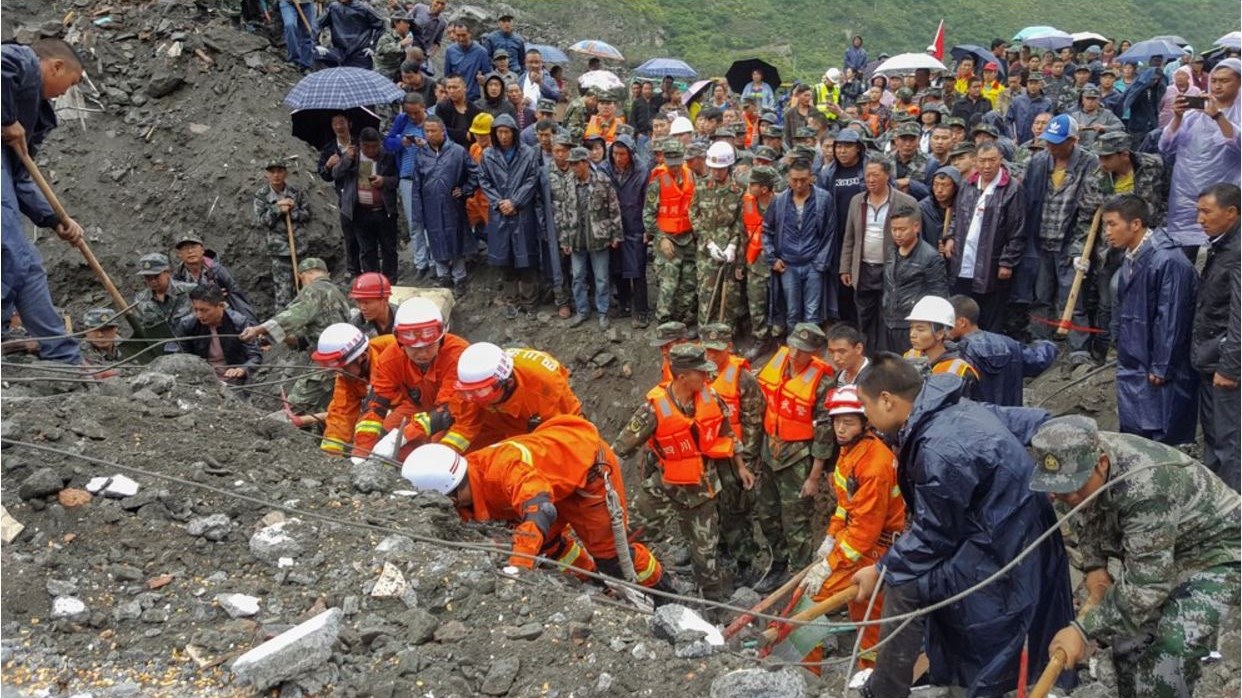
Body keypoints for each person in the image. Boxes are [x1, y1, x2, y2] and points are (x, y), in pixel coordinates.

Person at [853, 355, 1072, 698]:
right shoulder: (953, 408)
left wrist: (882, 569)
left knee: (906, 586)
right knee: (914, 575)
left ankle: (884, 692)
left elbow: (934, 535)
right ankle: (929, 676)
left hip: (1002, 545)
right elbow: (1032, 420)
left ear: (886, 399)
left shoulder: (940, 449)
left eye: (865, 406)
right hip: (1005, 527)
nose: (865, 417)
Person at [1030, 415, 1241, 698]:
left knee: (1172, 648)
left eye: (1072, 488)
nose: (1062, 497)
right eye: (1057, 490)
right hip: (1165, 544)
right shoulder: (1082, 455)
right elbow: (1088, 508)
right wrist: (1094, 566)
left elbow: (1148, 586)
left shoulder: (1146, 485)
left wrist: (1081, 630)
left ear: (1101, 463)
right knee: (1129, 642)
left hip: (1219, 549)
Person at [405, 415, 669, 588]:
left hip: (586, 470)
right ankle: (594, 584)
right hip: (553, 475)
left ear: (451, 492)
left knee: (612, 557)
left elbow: (540, 509)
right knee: (550, 545)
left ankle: (661, 591)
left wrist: (519, 564)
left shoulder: (503, 470)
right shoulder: (467, 478)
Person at [612, 344, 753, 600]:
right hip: (664, 486)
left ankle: (713, 606)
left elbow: (727, 434)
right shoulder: (653, 409)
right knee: (629, 534)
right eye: (701, 373)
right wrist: (607, 486)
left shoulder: (712, 399)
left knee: (705, 554)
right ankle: (625, 584)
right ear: (682, 376)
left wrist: (741, 467)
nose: (707, 377)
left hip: (703, 489)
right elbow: (621, 448)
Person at [798, 385, 904, 670]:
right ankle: (870, 674)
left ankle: (807, 678)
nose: (840, 429)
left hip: (875, 549)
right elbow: (846, 507)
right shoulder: (851, 453)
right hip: (865, 545)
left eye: (848, 422)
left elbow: (864, 533)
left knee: (808, 603)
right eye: (836, 421)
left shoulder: (874, 464)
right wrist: (831, 537)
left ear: (865, 423)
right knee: (868, 614)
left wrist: (832, 562)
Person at [1, 39, 85, 365]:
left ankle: (65, 359)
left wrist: (55, 219)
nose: (67, 92)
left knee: (28, 266)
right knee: (12, 253)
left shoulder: (32, 116)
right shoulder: (24, 61)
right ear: (56, 66)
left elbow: (21, 178)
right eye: (72, 82)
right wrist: (6, 117)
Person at [1102, 194, 1199, 445]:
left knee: (1160, 433)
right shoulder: (1132, 255)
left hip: (1156, 365)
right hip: (1135, 359)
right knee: (1136, 432)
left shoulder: (1167, 260)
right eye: (1105, 225)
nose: (1107, 232)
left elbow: (1172, 316)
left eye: (1112, 224)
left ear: (1135, 224)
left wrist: (1162, 365)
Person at [752, 323, 837, 590]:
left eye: (802, 351)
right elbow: (759, 409)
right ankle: (778, 563)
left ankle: (798, 576)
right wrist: (753, 454)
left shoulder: (823, 380)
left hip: (798, 459)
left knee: (795, 521)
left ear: (814, 353)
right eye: (793, 348)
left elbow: (824, 431)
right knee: (766, 513)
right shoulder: (777, 364)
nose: (794, 354)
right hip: (769, 452)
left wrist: (814, 476)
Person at [1072, 130, 1165, 361]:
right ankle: (1106, 350)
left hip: (1146, 246)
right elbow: (1086, 218)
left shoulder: (1153, 166)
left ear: (1124, 154)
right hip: (1110, 249)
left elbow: (1167, 195)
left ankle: (1136, 347)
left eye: (1107, 157)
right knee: (1107, 300)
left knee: (1138, 297)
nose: (1101, 162)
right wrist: (1078, 252)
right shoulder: (1096, 178)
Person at [1022, 114, 1098, 363]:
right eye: (1048, 141)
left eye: (1057, 142)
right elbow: (1029, 199)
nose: (1050, 146)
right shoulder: (1039, 162)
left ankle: (1078, 349)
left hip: (1069, 240)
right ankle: (1039, 342)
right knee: (1040, 294)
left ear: (1073, 141)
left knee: (1072, 296)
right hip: (1040, 238)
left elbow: (1089, 211)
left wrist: (1079, 249)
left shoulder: (1089, 163)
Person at [352, 297, 466, 457]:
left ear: (441, 338)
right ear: (400, 343)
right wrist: (361, 451)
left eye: (429, 345)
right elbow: (375, 405)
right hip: (417, 406)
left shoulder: (458, 355)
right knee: (381, 434)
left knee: (437, 449)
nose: (422, 353)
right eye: (413, 348)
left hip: (454, 413)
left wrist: (404, 436)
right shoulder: (390, 359)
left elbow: (449, 410)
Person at [701, 323, 769, 587]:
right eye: (706, 349)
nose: (711, 356)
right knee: (711, 507)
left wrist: (748, 459)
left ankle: (746, 561)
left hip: (735, 456)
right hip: (708, 456)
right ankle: (720, 553)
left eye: (716, 351)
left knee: (737, 511)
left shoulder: (742, 378)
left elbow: (754, 420)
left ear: (729, 347)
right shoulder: (698, 374)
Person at [240, 258, 352, 415]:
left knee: (294, 407)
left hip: (327, 362)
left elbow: (292, 316)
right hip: (346, 359)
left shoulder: (314, 290)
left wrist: (258, 329)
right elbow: (309, 334)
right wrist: (281, 336)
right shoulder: (336, 292)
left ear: (302, 276)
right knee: (328, 408)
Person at [1159, 58, 1241, 255]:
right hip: (1186, 197)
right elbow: (1165, 146)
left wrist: (1218, 117)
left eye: (1225, 81)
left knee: (1223, 255)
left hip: (1222, 197)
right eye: (1214, 80)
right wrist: (1177, 117)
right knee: (1184, 253)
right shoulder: (1194, 114)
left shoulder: (1237, 115)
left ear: (1239, 82)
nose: (1217, 85)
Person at [441, 342, 581, 454]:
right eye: (467, 392)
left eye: (480, 391)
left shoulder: (545, 388)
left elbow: (572, 425)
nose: (472, 398)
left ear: (508, 383)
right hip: (496, 418)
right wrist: (444, 455)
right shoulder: (474, 390)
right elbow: (465, 427)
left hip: (535, 423)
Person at [943, 142, 1024, 333]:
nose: (987, 166)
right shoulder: (968, 184)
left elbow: (1017, 229)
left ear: (1001, 161)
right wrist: (951, 236)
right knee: (961, 311)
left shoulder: (1012, 188)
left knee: (990, 314)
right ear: (975, 161)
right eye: (982, 161)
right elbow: (957, 215)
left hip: (991, 262)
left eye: (992, 160)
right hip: (964, 257)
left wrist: (1007, 261)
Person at [1191, 184, 1241, 491]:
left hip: (1225, 362)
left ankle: (1231, 511)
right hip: (1211, 357)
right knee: (1212, 434)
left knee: (1227, 440)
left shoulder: (1237, 253)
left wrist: (1230, 366)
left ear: (1231, 213)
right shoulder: (1221, 244)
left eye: (1206, 212)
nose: (1199, 219)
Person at [841, 158, 920, 351]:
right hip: (864, 267)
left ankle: (886, 356)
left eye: (875, 175)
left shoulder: (906, 202)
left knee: (889, 315)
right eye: (867, 175)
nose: (870, 179)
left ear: (887, 175)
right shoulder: (857, 201)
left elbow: (915, 240)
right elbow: (849, 237)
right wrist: (845, 267)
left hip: (891, 268)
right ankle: (867, 355)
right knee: (864, 314)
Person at [479, 114, 547, 318]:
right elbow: (484, 180)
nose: (503, 136)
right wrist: (499, 202)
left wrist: (515, 201)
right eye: (499, 132)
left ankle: (530, 302)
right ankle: (511, 300)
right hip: (500, 214)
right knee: (505, 261)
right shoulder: (488, 155)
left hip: (522, 213)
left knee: (526, 260)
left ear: (514, 133)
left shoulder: (527, 154)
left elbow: (532, 179)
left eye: (506, 132)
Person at [553, 146, 622, 328]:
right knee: (577, 276)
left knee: (601, 278)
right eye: (572, 164)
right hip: (576, 238)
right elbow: (562, 212)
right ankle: (582, 311)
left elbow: (613, 208)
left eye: (576, 164)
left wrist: (616, 234)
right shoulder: (568, 182)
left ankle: (603, 312)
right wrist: (564, 239)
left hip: (598, 236)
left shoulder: (602, 181)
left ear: (585, 163)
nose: (573, 167)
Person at [948, 294, 1055, 406]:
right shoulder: (1010, 344)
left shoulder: (959, 355)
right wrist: (1048, 346)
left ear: (962, 322)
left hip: (977, 419)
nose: (943, 327)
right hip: (1010, 417)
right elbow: (1038, 361)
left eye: (948, 322)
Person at [764, 160, 833, 327]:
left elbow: (829, 233)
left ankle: (811, 348)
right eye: (795, 180)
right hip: (788, 264)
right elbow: (767, 230)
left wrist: (820, 263)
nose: (799, 184)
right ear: (788, 178)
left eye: (803, 179)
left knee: (812, 312)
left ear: (811, 178)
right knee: (792, 311)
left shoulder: (824, 199)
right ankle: (793, 349)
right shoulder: (779, 201)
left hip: (813, 263)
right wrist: (772, 258)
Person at [413, 116, 477, 294]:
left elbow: (475, 173)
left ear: (443, 131)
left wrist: (465, 190)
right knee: (435, 238)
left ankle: (460, 277)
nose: (430, 134)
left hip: (452, 204)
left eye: (434, 130)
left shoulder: (457, 151)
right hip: (430, 204)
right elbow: (416, 185)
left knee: (455, 237)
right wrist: (417, 212)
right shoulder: (421, 155)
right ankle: (443, 276)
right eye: (427, 131)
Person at [312, 322, 396, 453]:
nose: (339, 373)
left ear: (362, 357)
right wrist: (330, 454)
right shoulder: (347, 376)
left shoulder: (394, 353)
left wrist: (363, 450)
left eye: (343, 367)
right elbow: (341, 415)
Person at [331, 127, 400, 283]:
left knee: (389, 248)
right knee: (367, 250)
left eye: (374, 146)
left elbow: (396, 180)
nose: (371, 150)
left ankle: (391, 282)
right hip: (360, 211)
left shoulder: (387, 157)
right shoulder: (352, 156)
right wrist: (347, 159)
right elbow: (335, 174)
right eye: (367, 146)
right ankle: (373, 282)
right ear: (360, 144)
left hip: (384, 210)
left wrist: (384, 181)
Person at [881, 203, 948, 354]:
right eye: (894, 229)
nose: (897, 234)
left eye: (902, 229)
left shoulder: (930, 257)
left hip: (912, 325)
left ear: (916, 227)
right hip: (889, 321)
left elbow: (939, 296)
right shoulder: (892, 251)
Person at [691, 142, 745, 327]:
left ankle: (726, 337)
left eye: (720, 169)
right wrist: (708, 242)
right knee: (706, 294)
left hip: (731, 252)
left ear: (729, 167)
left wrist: (732, 244)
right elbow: (694, 214)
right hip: (707, 252)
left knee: (730, 297)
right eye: (713, 168)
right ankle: (705, 333)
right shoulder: (701, 187)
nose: (716, 173)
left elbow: (741, 220)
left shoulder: (738, 190)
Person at [646, 141, 698, 326]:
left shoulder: (692, 177)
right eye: (671, 163)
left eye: (678, 162)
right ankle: (664, 323)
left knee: (689, 284)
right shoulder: (657, 182)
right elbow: (648, 216)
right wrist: (661, 238)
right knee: (668, 286)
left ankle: (678, 320)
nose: (675, 167)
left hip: (689, 239)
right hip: (668, 239)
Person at [169, 286, 262, 385]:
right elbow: (183, 357)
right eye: (195, 310)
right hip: (203, 380)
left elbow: (255, 356)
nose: (199, 315)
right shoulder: (187, 324)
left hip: (235, 380)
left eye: (204, 310)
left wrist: (242, 369)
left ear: (221, 306)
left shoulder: (238, 323)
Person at [604, 135, 651, 328]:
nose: (618, 158)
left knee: (638, 269)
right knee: (617, 267)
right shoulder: (605, 169)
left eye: (622, 154)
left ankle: (642, 310)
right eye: (615, 153)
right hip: (614, 224)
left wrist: (648, 227)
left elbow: (648, 200)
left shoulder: (641, 171)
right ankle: (623, 304)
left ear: (630, 154)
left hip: (635, 223)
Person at [252, 159, 312, 308]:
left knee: (305, 289)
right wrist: (277, 210)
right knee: (283, 293)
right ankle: (283, 327)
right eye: (272, 172)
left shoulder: (296, 192)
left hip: (299, 248)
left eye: (279, 171)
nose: (276, 175)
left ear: (286, 173)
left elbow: (308, 215)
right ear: (267, 174)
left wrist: (293, 210)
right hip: (279, 252)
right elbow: (262, 222)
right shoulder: (262, 195)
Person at [901, 295, 980, 393]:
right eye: (911, 328)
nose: (912, 334)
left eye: (920, 329)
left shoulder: (958, 370)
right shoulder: (910, 356)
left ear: (940, 334)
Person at [170, 232, 256, 322]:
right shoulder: (177, 278)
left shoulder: (218, 271)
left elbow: (237, 299)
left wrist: (251, 325)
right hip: (193, 320)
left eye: (193, 247)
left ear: (202, 249)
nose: (190, 251)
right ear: (179, 254)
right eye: (185, 248)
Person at [740, 166, 779, 358]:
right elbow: (742, 235)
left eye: (752, 184)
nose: (748, 187)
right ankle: (760, 339)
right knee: (755, 304)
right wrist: (740, 264)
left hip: (778, 266)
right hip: (754, 264)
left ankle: (780, 340)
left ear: (764, 189)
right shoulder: (747, 203)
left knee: (781, 304)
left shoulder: (781, 205)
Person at [132, 253, 196, 336]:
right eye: (148, 277)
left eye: (156, 276)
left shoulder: (190, 290)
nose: (153, 281)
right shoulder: (141, 300)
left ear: (167, 272)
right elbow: (143, 329)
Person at [313, 0, 385, 69]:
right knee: (318, 55)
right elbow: (317, 24)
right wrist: (317, 45)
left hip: (360, 53)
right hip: (340, 52)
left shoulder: (363, 7)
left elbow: (381, 25)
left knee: (360, 78)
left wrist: (373, 46)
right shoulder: (333, 8)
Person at [443, 23, 491, 102]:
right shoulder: (450, 50)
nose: (461, 39)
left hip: (473, 98)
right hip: (455, 97)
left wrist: (483, 79)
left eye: (464, 35)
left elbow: (488, 75)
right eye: (458, 35)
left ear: (470, 34)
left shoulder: (482, 52)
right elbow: (447, 76)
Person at [434, 74, 482, 148]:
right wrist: (465, 135)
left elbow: (476, 135)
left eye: (455, 87)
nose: (451, 91)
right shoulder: (442, 108)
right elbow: (440, 130)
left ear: (464, 88)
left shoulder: (475, 110)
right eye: (449, 88)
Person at [919, 165, 959, 249]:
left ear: (955, 187)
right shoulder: (923, 208)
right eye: (935, 185)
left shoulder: (962, 207)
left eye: (945, 185)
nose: (939, 190)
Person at [1006, 73, 1052, 143]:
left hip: (1039, 141)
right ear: (1027, 85)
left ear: (1040, 85)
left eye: (1036, 83)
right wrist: (1012, 137)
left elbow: (1050, 123)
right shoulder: (1017, 101)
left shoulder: (1047, 102)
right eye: (1030, 83)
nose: (1033, 86)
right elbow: (1008, 121)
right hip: (1019, 140)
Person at [347, 272, 396, 337]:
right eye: (358, 302)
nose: (362, 308)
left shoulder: (404, 317)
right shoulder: (355, 327)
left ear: (385, 300)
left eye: (366, 303)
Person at [278, 0, 317, 71]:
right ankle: (294, 59)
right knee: (290, 25)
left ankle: (306, 64)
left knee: (307, 33)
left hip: (307, 3)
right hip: (288, 2)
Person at [374, 11, 414, 79]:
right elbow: (381, 50)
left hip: (397, 72)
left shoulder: (407, 37)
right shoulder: (387, 37)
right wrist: (400, 44)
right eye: (405, 22)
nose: (408, 25)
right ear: (396, 23)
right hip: (383, 72)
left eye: (408, 23)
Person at [408, 0, 447, 64]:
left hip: (421, 55)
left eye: (442, 4)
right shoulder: (419, 8)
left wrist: (429, 54)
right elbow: (405, 22)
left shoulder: (442, 23)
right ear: (432, 1)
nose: (439, 6)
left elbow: (437, 43)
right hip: (408, 47)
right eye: (437, 2)